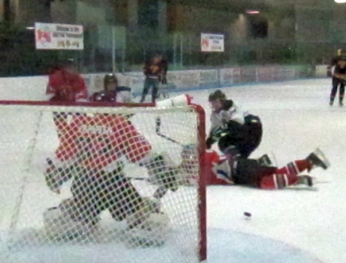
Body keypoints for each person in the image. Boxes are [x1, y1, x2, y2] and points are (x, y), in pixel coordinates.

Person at [42, 96, 178, 244]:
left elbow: (64, 156)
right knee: (135, 210)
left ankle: (75, 218)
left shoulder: (78, 124)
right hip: (113, 183)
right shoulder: (120, 124)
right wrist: (162, 168)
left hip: (84, 182)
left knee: (82, 210)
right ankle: (142, 224)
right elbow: (140, 153)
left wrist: (55, 174)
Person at [178, 146, 330, 189]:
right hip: (244, 163)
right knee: (275, 172)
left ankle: (297, 179)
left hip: (238, 172)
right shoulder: (208, 155)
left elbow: (189, 180)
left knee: (264, 182)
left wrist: (180, 174)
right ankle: (309, 161)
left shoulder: (201, 169)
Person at [206, 89, 263, 160]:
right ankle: (240, 162)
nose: (214, 105)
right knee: (224, 142)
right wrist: (208, 142)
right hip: (241, 131)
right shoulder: (215, 115)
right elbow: (215, 130)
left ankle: (236, 158)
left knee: (225, 140)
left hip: (252, 128)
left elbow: (236, 124)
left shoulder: (232, 106)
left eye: (216, 102)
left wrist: (214, 137)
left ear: (222, 101)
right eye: (212, 103)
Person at [46, 59, 88, 138]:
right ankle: (64, 140)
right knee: (60, 122)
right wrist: (58, 92)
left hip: (74, 104)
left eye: (72, 66)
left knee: (82, 118)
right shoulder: (55, 77)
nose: (70, 68)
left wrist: (76, 101)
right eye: (68, 66)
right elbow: (49, 94)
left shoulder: (79, 79)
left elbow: (82, 96)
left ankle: (80, 139)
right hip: (59, 104)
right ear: (64, 68)